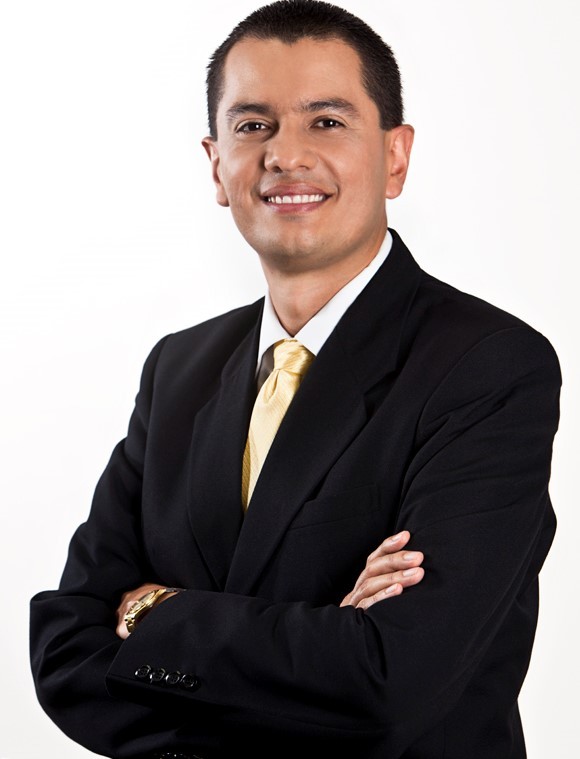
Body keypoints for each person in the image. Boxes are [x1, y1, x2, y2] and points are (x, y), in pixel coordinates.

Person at [29, 1, 561, 757]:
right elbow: (62, 649)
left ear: (396, 156)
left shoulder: (487, 364)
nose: (286, 155)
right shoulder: (178, 369)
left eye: (327, 121)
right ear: (217, 165)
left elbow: (392, 680)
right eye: (254, 125)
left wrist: (154, 612)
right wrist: (318, 641)